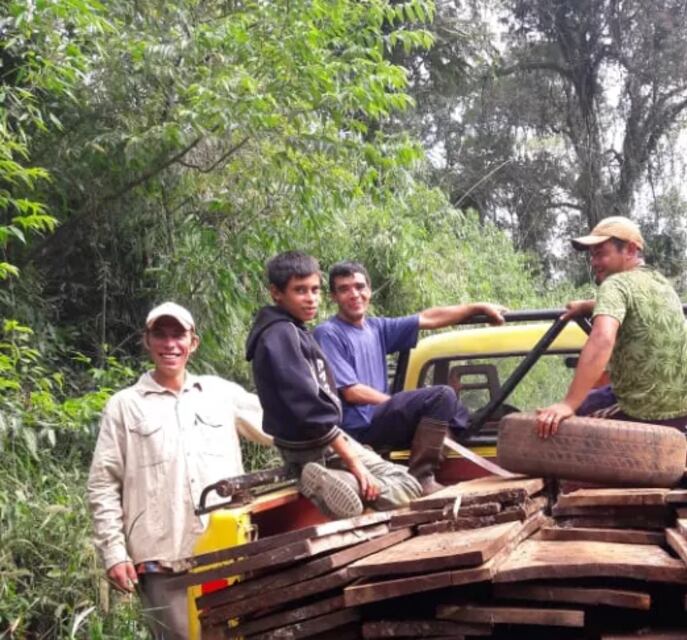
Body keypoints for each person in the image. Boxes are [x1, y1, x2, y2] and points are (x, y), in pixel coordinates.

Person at [87, 302, 273, 639]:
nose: (170, 344)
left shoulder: (220, 393)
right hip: (162, 559)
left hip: (225, 548)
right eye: (161, 335)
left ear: (194, 343)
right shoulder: (124, 406)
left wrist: (340, 440)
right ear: (147, 341)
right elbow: (103, 484)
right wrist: (114, 553)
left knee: (240, 634)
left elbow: (279, 426)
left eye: (179, 335)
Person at [245, 251, 422, 516]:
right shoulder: (281, 335)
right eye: (300, 291)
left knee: (399, 478)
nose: (311, 299)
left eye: (315, 290)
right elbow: (309, 409)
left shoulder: (289, 330)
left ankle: (338, 480)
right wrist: (354, 464)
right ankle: (347, 481)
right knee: (409, 485)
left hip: (310, 443)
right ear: (276, 292)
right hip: (318, 444)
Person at [314, 261, 506, 493]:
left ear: (369, 290)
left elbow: (428, 318)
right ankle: (421, 478)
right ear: (333, 297)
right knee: (441, 395)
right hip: (358, 428)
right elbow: (351, 392)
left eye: (359, 286)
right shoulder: (328, 333)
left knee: (454, 405)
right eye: (344, 289)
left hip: (380, 419)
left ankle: (473, 435)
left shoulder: (376, 328)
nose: (354, 294)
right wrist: (399, 403)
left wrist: (477, 307)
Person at [536, 216, 687, 438]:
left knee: (563, 428)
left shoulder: (615, 285)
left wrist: (568, 404)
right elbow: (635, 306)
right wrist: (589, 306)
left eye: (601, 253)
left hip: (648, 412)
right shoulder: (658, 282)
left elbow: (602, 339)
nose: (594, 262)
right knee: (593, 399)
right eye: (592, 255)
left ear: (631, 250)